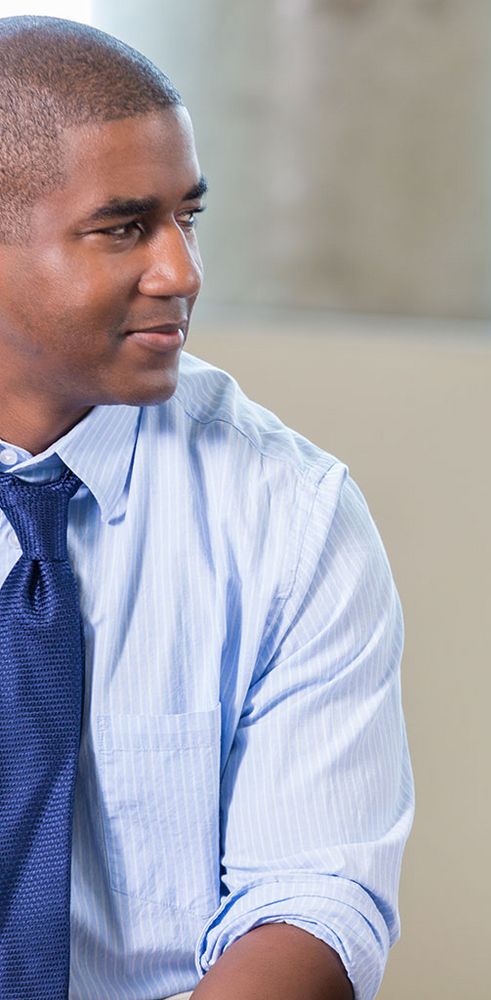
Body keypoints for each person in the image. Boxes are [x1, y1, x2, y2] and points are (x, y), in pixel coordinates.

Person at [0, 15, 412, 1000]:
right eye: (124, 227)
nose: (182, 273)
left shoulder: (291, 513)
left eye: (189, 217)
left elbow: (316, 897)